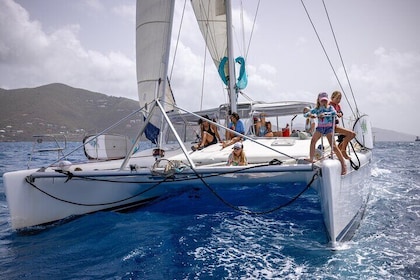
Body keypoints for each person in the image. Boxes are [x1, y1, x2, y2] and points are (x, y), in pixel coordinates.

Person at [304, 92, 347, 175]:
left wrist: (325, 114)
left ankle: (343, 163)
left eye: (325, 101)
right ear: (319, 101)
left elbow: (334, 113)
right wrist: (311, 115)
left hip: (328, 128)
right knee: (313, 141)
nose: (324, 102)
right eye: (322, 100)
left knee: (333, 146)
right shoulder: (317, 109)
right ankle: (311, 158)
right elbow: (305, 115)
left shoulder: (330, 107)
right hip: (320, 128)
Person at [329, 91, 356, 159]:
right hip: (329, 126)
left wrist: (340, 114)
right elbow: (330, 112)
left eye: (340, 99)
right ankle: (343, 151)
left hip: (335, 126)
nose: (338, 100)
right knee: (351, 134)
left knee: (352, 134)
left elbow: (340, 112)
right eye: (337, 98)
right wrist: (336, 114)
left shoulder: (338, 106)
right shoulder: (329, 105)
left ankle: (339, 149)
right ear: (332, 97)